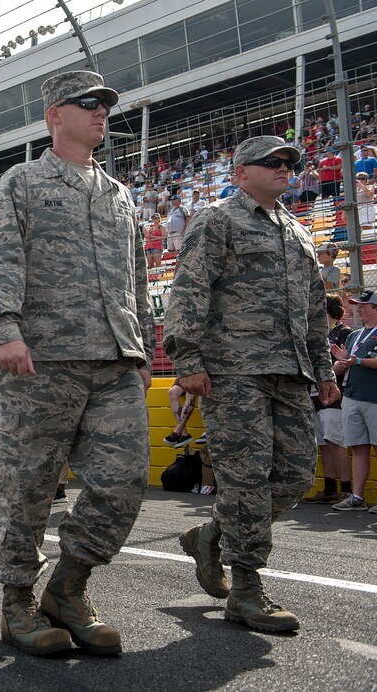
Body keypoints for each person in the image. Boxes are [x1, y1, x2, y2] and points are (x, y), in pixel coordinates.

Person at [0, 71, 154, 656]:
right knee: (26, 485)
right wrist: (3, 330)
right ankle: (17, 601)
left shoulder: (119, 194)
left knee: (123, 482)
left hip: (114, 358)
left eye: (107, 104)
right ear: (55, 113)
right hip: (40, 359)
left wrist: (142, 346)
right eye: (90, 103)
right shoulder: (22, 182)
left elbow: (137, 277)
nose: (102, 111)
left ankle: (68, 589)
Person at [165, 135, 338, 634]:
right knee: (245, 478)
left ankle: (211, 535)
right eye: (273, 162)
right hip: (234, 371)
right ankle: (245, 589)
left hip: (290, 372)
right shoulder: (219, 221)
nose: (285, 168)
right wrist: (188, 357)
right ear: (241, 173)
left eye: (291, 163)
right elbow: (190, 290)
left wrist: (324, 370)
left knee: (294, 477)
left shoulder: (298, 232)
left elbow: (312, 311)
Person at [329, 290, 377, 512]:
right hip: (352, 395)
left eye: (364, 305)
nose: (359, 308)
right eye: (358, 305)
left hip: (373, 397)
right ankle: (357, 496)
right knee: (358, 447)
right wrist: (340, 363)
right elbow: (341, 365)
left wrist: (356, 361)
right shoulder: (354, 334)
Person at [304, 295, 353, 504]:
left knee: (335, 440)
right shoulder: (315, 334)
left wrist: (327, 373)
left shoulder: (343, 333)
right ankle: (330, 487)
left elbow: (344, 363)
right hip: (314, 394)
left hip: (335, 395)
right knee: (323, 442)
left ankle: (348, 490)